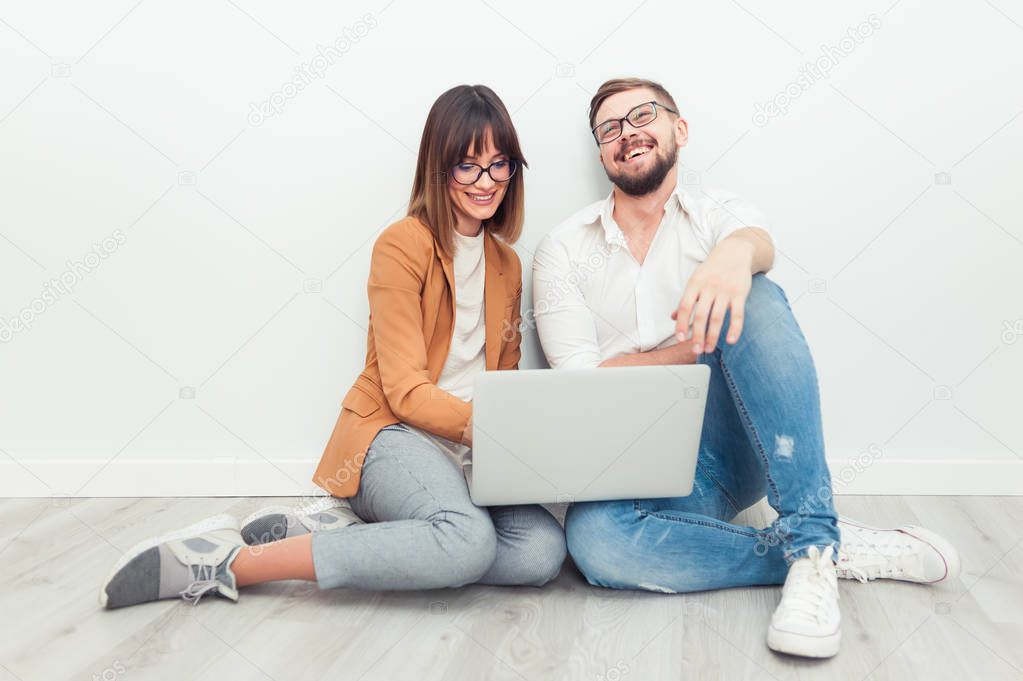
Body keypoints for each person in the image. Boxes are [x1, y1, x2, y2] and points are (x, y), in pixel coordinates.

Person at [532, 77, 960, 659]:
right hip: (636, 461)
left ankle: (811, 532)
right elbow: (582, 386)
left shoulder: (720, 213)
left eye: (642, 116)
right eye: (610, 128)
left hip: (734, 442)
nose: (627, 133)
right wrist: (695, 345)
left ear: (677, 130)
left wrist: (733, 259)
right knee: (594, 541)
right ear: (601, 150)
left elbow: (756, 243)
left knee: (756, 296)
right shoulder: (562, 247)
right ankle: (817, 549)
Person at [99, 84, 566, 610]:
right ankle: (225, 560)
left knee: (540, 554)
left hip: (471, 455)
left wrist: (518, 436)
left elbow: (502, 378)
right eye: (468, 166)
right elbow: (406, 389)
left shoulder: (506, 264)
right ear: (439, 168)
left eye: (500, 164)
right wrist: (486, 428)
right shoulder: (403, 243)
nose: (487, 182)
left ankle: (344, 528)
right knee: (467, 539)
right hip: (392, 437)